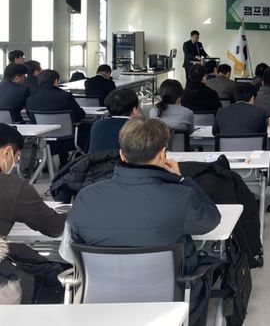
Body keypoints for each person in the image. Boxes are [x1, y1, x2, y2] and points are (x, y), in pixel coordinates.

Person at [65, 117, 221, 326]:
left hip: (101, 300)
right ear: (162, 154)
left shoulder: (86, 197)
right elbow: (211, 220)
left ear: (121, 154)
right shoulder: (180, 196)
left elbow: (68, 252)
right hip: (168, 298)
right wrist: (183, 179)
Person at [0, 123, 67, 304]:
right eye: (16, 157)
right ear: (6, 153)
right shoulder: (13, 187)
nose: (15, 163)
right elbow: (55, 228)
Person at [26, 70, 86, 167]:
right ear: (56, 81)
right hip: (69, 139)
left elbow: (32, 118)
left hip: (43, 139)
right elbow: (80, 115)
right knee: (86, 128)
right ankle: (76, 160)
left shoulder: (30, 100)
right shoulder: (65, 96)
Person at [87, 88, 139, 154]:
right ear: (134, 110)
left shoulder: (97, 124)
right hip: (122, 163)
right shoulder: (137, 128)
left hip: (95, 163)